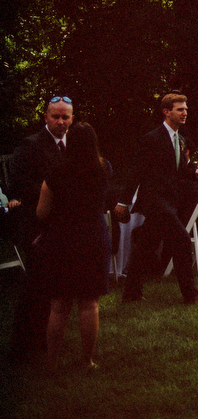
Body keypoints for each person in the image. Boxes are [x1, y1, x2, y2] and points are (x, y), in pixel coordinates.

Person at [116, 93, 198, 305]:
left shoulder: (179, 138)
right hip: (155, 201)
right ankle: (192, 295)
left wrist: (194, 173)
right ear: (166, 112)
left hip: (170, 200)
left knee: (145, 245)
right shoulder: (151, 139)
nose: (185, 113)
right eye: (180, 109)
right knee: (180, 239)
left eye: (185, 109)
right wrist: (123, 202)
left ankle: (131, 293)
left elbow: (176, 170)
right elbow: (136, 172)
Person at [33, 123, 110, 370]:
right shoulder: (103, 168)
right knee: (90, 304)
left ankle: (52, 363)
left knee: (59, 307)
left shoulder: (55, 173)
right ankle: (86, 360)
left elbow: (42, 213)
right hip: (94, 238)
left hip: (63, 240)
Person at [8, 95, 73, 365]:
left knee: (53, 285)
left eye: (65, 117)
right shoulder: (30, 145)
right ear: (45, 117)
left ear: (72, 118)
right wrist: (56, 193)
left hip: (63, 226)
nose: (60, 121)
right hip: (35, 225)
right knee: (36, 284)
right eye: (55, 116)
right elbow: (19, 186)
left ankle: (44, 337)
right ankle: (20, 347)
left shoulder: (75, 145)